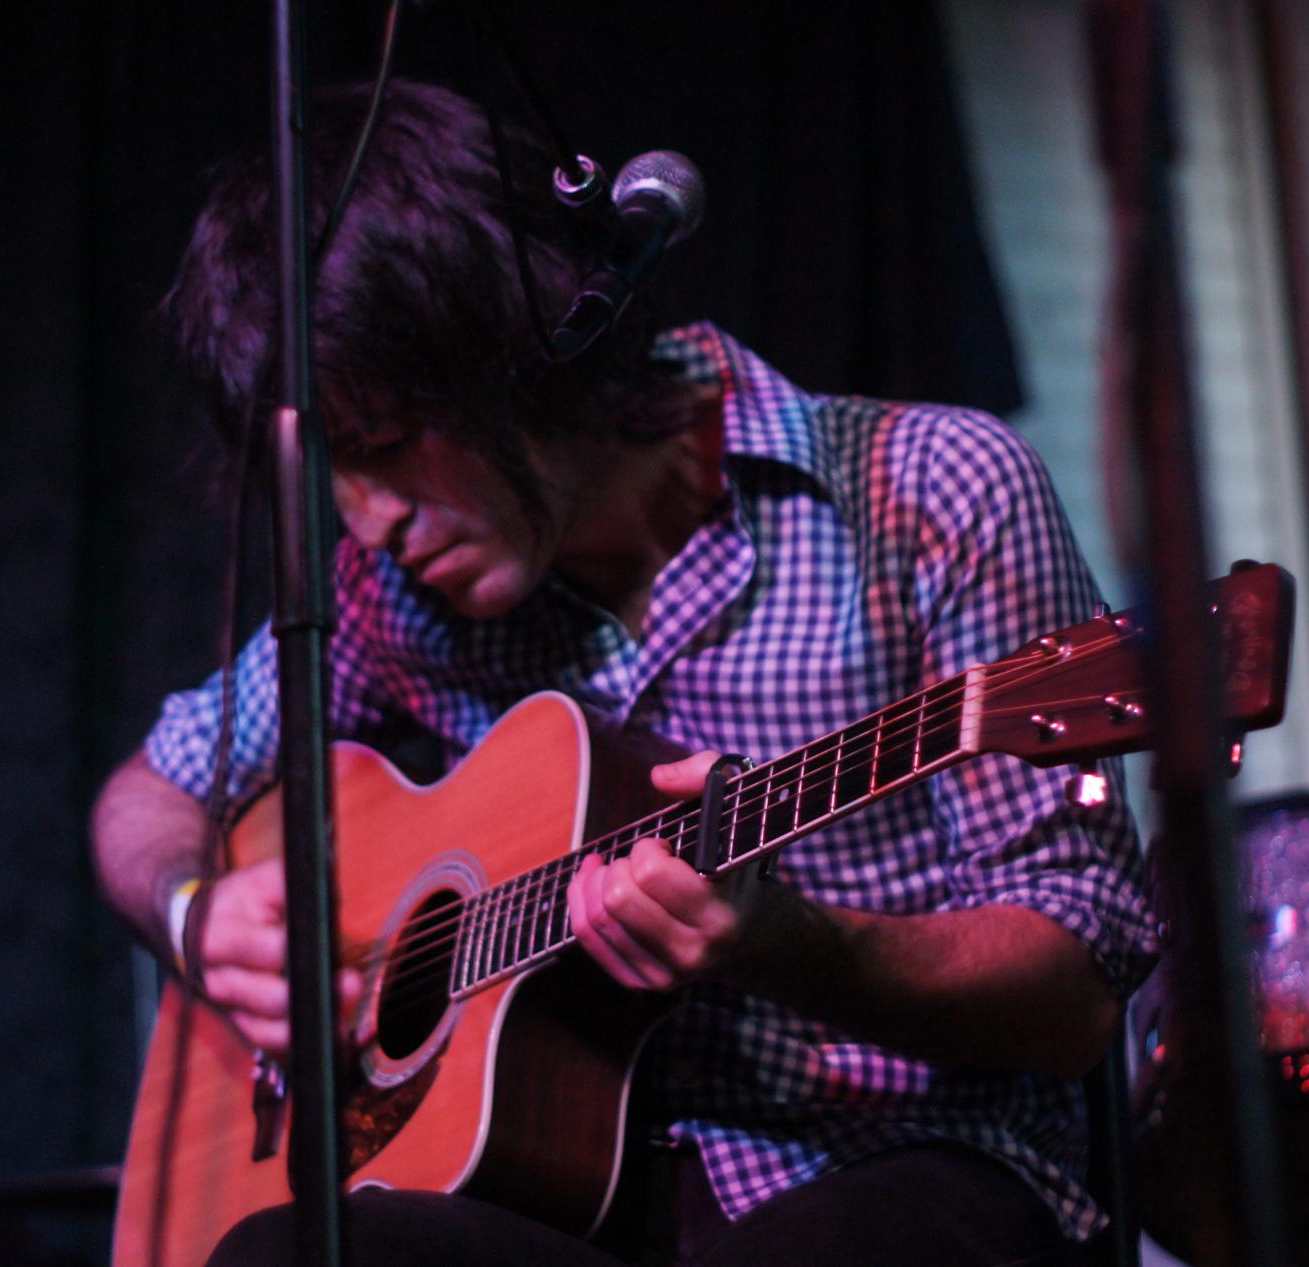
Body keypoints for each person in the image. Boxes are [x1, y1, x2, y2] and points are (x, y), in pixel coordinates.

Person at [92, 81, 1157, 1267]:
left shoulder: (927, 491)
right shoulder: (387, 597)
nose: (368, 520)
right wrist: (197, 915)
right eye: (331, 475)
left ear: (521, 353)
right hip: (564, 1207)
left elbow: (1076, 996)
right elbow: (147, 796)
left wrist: (799, 946)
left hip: (890, 1169)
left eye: (384, 445)